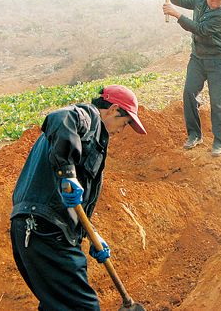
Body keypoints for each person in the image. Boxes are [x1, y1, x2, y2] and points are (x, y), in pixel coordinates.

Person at [10, 85, 147, 311]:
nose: (122, 131)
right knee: (83, 307)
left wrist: (90, 233)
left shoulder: (90, 137)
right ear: (113, 109)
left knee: (58, 305)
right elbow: (59, 117)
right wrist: (67, 173)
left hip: (38, 229)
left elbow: (73, 198)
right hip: (44, 228)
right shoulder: (88, 118)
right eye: (124, 123)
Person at [161, 0, 221, 157]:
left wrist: (176, 14)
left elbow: (199, 28)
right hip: (198, 58)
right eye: (211, 0)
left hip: (219, 60)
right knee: (189, 93)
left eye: (219, 0)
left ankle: (219, 142)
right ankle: (194, 135)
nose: (214, 3)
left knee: (218, 102)